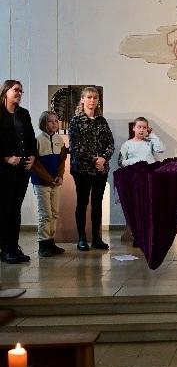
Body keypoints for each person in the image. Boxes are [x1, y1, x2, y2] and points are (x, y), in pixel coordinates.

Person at [68, 86, 114, 251]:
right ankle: (82, 239)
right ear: (82, 100)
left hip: (100, 169)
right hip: (82, 169)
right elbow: (75, 147)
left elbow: (110, 143)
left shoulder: (102, 121)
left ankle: (96, 238)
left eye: (95, 98)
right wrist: (94, 159)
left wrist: (103, 159)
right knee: (82, 203)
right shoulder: (76, 121)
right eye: (89, 97)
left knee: (97, 203)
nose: (92, 101)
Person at [0, 80, 36, 264]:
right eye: (16, 90)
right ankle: (5, 249)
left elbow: (30, 137)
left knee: (15, 209)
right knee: (4, 209)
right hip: (5, 169)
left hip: (22, 168)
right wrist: (6, 158)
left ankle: (14, 247)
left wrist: (32, 157)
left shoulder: (23, 114)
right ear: (6, 91)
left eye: (21, 91)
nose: (19, 93)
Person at [31, 111, 68, 257]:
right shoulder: (37, 140)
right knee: (45, 214)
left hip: (55, 182)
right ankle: (43, 244)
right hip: (41, 183)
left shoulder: (59, 139)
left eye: (56, 121)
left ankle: (51, 242)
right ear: (43, 123)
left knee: (54, 213)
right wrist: (49, 179)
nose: (54, 124)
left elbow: (62, 160)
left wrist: (59, 176)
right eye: (50, 121)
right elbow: (35, 164)